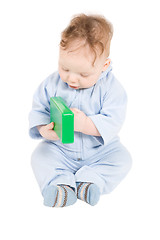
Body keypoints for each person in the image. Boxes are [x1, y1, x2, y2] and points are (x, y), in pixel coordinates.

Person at [29, 13, 132, 208]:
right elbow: (39, 108)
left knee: (123, 159)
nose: (72, 79)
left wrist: (86, 124)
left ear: (104, 65)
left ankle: (90, 182)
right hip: (60, 150)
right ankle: (60, 186)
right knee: (39, 156)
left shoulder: (112, 89)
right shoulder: (51, 84)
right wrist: (44, 129)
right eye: (65, 68)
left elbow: (113, 120)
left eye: (84, 73)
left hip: (100, 151)